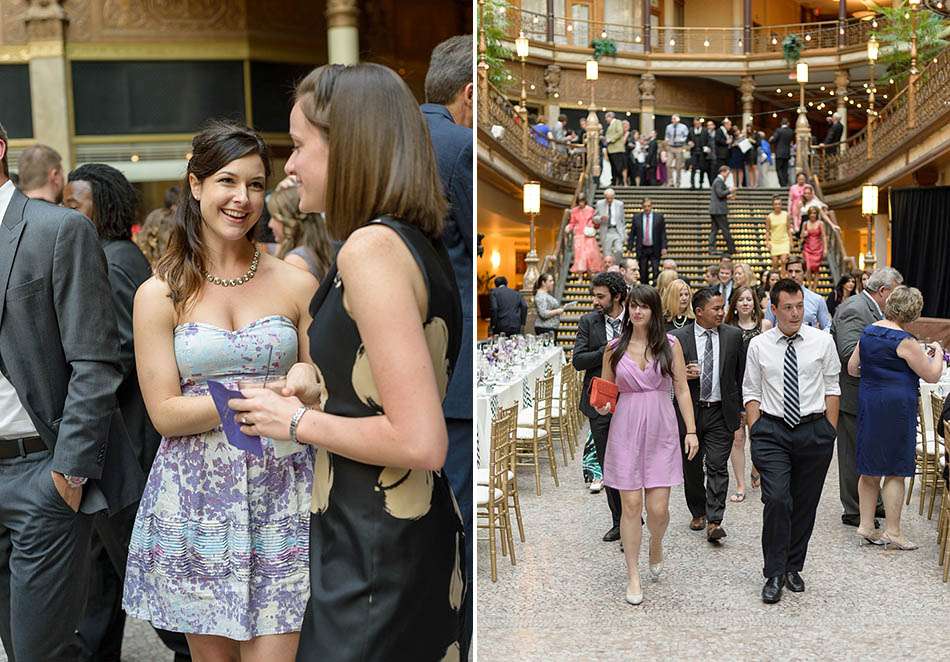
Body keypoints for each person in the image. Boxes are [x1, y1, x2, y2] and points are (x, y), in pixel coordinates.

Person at [229, 63, 465, 659]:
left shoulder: (371, 250)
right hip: (386, 537)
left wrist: (297, 423)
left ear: (348, 145)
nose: (290, 165)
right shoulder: (410, 241)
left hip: (377, 546)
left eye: (301, 145)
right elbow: (389, 387)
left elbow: (420, 439)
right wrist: (323, 388)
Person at [121, 122, 318, 660]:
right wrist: (259, 394)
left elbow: (321, 384)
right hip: (195, 500)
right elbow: (163, 412)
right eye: (228, 181)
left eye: (256, 185)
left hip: (285, 494)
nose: (242, 198)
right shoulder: (158, 294)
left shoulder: (297, 284)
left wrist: (308, 381)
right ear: (196, 185)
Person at [0, 121, 145, 661]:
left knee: (43, 651)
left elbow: (96, 360)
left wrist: (68, 473)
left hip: (41, 475)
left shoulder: (57, 230)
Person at [62, 164, 167, 661]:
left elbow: (124, 353)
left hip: (128, 447)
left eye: (74, 203)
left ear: (101, 207)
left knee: (150, 588)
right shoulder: (107, 256)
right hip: (117, 448)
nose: (65, 211)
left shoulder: (115, 262)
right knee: (101, 586)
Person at [421, 36, 474, 656]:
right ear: (468, 95)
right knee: (455, 527)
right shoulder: (458, 147)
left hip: (383, 367)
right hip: (452, 374)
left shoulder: (384, 142)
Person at [596, 284, 698, 605]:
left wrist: (691, 430)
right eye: (633, 306)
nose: (637, 312)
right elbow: (606, 391)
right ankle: (633, 574)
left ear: (654, 311)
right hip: (625, 427)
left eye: (644, 307)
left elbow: (681, 388)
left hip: (661, 428)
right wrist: (601, 405)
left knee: (659, 509)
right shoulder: (614, 348)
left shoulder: (671, 345)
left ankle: (656, 541)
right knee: (630, 506)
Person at [744, 278, 841, 604]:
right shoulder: (759, 345)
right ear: (774, 308)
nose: (795, 313)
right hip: (772, 431)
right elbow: (752, 392)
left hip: (814, 430)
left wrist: (829, 429)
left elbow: (832, 387)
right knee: (777, 499)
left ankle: (792, 566)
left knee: (804, 503)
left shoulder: (821, 341)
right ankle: (773, 572)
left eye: (799, 306)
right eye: (788, 307)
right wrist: (756, 432)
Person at [847, 286, 944, 549]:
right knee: (894, 470)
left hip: (869, 403)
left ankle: (866, 525)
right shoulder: (906, 341)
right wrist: (938, 353)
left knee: (868, 466)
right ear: (913, 313)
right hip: (896, 409)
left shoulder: (868, 332)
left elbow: (853, 369)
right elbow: (932, 375)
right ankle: (893, 531)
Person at [830, 267, 903, 527]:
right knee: (853, 454)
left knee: (869, 453)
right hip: (854, 394)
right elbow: (849, 352)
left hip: (872, 394)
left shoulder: (874, 309)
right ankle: (854, 509)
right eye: (896, 292)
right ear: (883, 291)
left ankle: (873, 503)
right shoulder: (854, 308)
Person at [671, 288, 744, 541]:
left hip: (720, 411)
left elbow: (739, 375)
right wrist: (680, 374)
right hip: (689, 411)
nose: (722, 312)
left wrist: (741, 409)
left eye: (723, 307)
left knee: (716, 465)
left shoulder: (734, 336)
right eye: (716, 308)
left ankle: (715, 520)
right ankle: (697, 510)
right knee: (691, 467)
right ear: (699, 312)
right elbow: (663, 373)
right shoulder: (678, 338)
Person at [573, 272, 628, 544]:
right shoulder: (588, 322)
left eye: (600, 296)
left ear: (616, 296)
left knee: (631, 461)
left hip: (632, 402)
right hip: (599, 402)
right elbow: (578, 361)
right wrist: (606, 351)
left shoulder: (634, 318)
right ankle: (619, 521)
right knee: (608, 463)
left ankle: (632, 516)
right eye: (594, 295)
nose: (595, 301)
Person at [725, 285, 773, 501]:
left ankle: (756, 468)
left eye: (749, 299)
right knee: (737, 437)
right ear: (734, 304)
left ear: (755, 302)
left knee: (759, 436)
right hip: (734, 388)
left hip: (760, 388)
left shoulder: (765, 326)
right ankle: (740, 485)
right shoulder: (726, 327)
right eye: (741, 299)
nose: (745, 303)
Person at [266, 184, 333, 282]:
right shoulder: (313, 250)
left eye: (274, 217)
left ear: (289, 220)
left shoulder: (295, 261)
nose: (270, 224)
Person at [764, 256, 831, 330]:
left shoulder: (817, 299)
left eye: (797, 271)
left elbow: (827, 326)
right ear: (786, 273)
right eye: (790, 271)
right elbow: (768, 327)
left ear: (804, 273)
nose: (793, 275)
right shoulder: (775, 298)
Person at [136, 184, 179, 268]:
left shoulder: (154, 216)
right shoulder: (176, 219)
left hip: (152, 264)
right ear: (174, 206)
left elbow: (142, 241)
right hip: (167, 265)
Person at [627, 197, 666, 286]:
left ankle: (655, 288)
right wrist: (630, 248)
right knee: (643, 270)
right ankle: (645, 289)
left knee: (656, 269)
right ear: (642, 207)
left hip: (655, 247)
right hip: (642, 248)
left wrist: (664, 247)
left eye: (649, 206)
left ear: (651, 206)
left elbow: (663, 233)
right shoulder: (637, 217)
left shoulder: (659, 217)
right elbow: (632, 233)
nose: (647, 208)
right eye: (645, 206)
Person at [567, 192, 603, 278]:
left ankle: (591, 275)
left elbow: (595, 222)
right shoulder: (574, 211)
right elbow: (572, 222)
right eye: (579, 201)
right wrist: (569, 227)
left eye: (582, 201)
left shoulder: (590, 210)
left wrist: (594, 224)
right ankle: (580, 276)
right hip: (578, 235)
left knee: (590, 254)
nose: (581, 203)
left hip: (588, 234)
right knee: (580, 256)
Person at [709, 165, 737, 256]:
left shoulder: (718, 181)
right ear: (723, 172)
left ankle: (712, 248)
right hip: (719, 210)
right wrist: (730, 190)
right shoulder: (718, 181)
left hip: (716, 210)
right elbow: (720, 194)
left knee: (714, 230)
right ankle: (731, 249)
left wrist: (728, 196)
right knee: (725, 229)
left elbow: (719, 195)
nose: (728, 175)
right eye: (727, 173)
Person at [596, 188, 626, 258]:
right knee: (607, 253)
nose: (609, 200)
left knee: (619, 250)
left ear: (613, 197)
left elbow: (622, 220)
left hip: (617, 230)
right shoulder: (599, 203)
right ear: (605, 197)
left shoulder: (619, 204)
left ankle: (616, 266)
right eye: (607, 198)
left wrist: (624, 232)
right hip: (606, 230)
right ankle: (608, 268)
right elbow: (594, 218)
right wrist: (600, 218)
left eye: (611, 198)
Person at [801, 207, 826, 291]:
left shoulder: (820, 223)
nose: (812, 215)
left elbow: (823, 236)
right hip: (807, 247)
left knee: (816, 269)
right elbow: (801, 237)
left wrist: (825, 249)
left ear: (817, 214)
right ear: (808, 214)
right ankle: (810, 285)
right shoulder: (805, 223)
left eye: (814, 213)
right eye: (811, 213)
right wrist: (804, 234)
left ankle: (814, 288)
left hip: (818, 247)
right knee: (808, 267)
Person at [765, 195, 792, 271]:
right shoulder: (769, 217)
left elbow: (789, 229)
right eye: (776, 204)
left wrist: (791, 241)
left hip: (784, 241)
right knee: (775, 263)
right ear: (773, 205)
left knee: (784, 261)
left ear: (781, 205)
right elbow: (767, 230)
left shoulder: (786, 215)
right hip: (774, 242)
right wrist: (767, 242)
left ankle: (783, 277)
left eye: (779, 204)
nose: (777, 206)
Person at [664, 114, 689, 188]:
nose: (673, 120)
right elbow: (667, 136)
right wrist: (667, 141)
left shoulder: (683, 127)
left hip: (679, 147)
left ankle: (678, 182)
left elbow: (686, 136)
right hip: (671, 147)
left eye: (674, 119)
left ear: (678, 119)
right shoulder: (668, 127)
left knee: (678, 167)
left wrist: (681, 140)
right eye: (672, 119)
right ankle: (670, 181)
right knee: (668, 164)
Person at [770, 117, 795, 187]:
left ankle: (782, 184)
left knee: (778, 169)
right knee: (785, 169)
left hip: (779, 153)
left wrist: (771, 139)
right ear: (788, 124)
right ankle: (785, 183)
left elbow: (773, 140)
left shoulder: (778, 130)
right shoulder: (791, 131)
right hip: (787, 153)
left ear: (781, 123)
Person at [604, 112, 626, 186]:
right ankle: (613, 182)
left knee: (618, 167)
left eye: (606, 118)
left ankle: (620, 181)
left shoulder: (617, 122)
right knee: (613, 167)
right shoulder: (609, 126)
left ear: (610, 117)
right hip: (611, 150)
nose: (605, 119)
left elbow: (620, 132)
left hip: (617, 149)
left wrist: (610, 139)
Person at [688, 116, 710, 189]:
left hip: (702, 152)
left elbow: (708, 141)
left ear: (700, 123)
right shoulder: (691, 130)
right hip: (694, 151)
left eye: (698, 123)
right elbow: (688, 139)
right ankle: (692, 184)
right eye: (695, 123)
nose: (696, 124)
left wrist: (707, 147)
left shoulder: (705, 130)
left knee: (702, 168)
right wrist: (689, 142)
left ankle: (701, 184)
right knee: (693, 168)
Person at [787, 172, 808, 236]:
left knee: (802, 219)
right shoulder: (793, 187)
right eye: (800, 179)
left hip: (804, 205)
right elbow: (790, 199)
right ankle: (797, 231)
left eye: (802, 179)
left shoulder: (807, 187)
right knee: (795, 219)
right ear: (797, 179)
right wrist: (789, 209)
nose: (801, 180)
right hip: (795, 205)